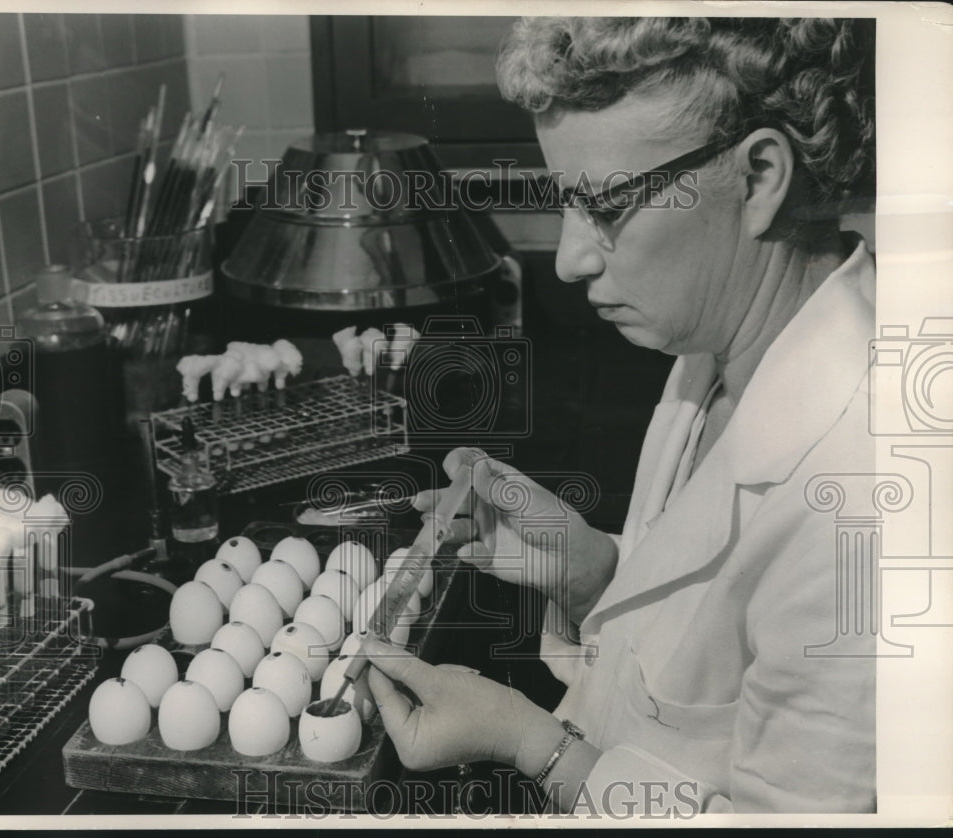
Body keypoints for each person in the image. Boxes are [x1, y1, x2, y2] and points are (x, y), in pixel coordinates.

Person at [363, 16, 877, 815]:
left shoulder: (863, 501)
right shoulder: (715, 344)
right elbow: (703, 643)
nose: (570, 260)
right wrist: (594, 570)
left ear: (760, 175)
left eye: (603, 205)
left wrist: (532, 744)